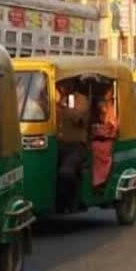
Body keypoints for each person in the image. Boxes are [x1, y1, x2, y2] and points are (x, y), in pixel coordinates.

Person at [55, 80, 90, 211]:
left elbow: (79, 118)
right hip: (59, 143)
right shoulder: (57, 99)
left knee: (66, 172)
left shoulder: (81, 100)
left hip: (76, 146)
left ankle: (72, 201)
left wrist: (63, 108)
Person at [91, 88, 118, 190]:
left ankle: (100, 182)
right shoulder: (96, 111)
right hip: (96, 139)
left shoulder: (111, 108)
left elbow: (114, 125)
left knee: (102, 154)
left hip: (106, 139)